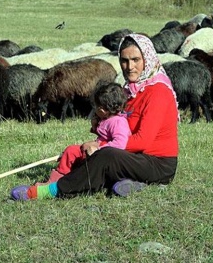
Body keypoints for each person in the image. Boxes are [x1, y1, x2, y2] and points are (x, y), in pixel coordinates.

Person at [11, 33, 179, 200]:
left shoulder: (158, 92)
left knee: (106, 156)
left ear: (147, 59)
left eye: (136, 60)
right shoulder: (130, 90)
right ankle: (129, 182)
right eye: (124, 60)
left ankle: (54, 190)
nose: (129, 67)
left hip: (157, 163)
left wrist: (101, 146)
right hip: (133, 157)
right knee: (78, 151)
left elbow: (143, 141)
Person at [39, 82, 132, 185]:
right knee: (71, 152)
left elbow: (120, 143)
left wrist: (98, 149)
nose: (95, 109)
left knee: (71, 151)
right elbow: (105, 135)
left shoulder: (118, 122)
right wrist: (95, 127)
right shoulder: (107, 118)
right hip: (97, 151)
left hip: (104, 155)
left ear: (102, 109)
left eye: (96, 106)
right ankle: (63, 174)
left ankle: (57, 179)